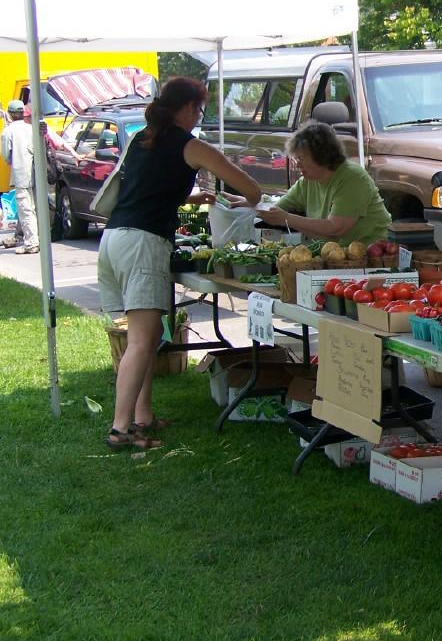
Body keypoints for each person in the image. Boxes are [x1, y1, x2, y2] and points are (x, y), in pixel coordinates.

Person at [97, 77, 261, 451]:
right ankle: (120, 429)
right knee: (142, 341)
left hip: (114, 239)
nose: (200, 116)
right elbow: (251, 189)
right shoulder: (191, 145)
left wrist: (192, 197)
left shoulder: (142, 138)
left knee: (148, 336)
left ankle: (143, 417)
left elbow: (148, 186)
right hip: (143, 243)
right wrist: (247, 202)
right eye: (199, 109)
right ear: (187, 108)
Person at [229, 120, 391, 246]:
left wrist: (286, 218)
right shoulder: (307, 182)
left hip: (372, 253)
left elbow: (336, 228)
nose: (298, 164)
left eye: (301, 159)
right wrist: (252, 203)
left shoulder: (353, 178)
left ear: (322, 156)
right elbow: (278, 208)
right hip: (335, 253)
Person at [1, 100, 39, 254]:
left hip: (21, 175)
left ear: (10, 114)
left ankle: (31, 243)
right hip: (37, 174)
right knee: (36, 208)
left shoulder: (8, 131)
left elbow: (5, 155)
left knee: (26, 210)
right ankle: (35, 239)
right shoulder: (31, 128)